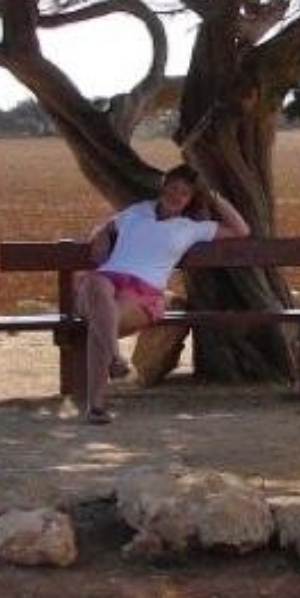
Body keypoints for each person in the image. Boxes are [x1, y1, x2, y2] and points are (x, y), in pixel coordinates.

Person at [74, 164, 250, 423]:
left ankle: (96, 405)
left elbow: (241, 230)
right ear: (164, 186)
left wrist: (213, 195)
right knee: (96, 285)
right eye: (173, 187)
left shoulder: (191, 227)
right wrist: (100, 233)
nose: (177, 195)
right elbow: (108, 226)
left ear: (191, 199)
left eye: (185, 192)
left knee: (101, 320)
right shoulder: (138, 211)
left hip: (142, 292)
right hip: (105, 282)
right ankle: (114, 359)